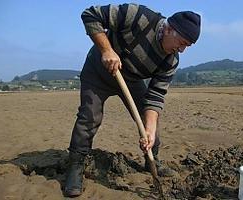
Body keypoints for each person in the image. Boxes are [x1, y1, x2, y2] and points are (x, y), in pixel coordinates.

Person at [64, 3, 201, 197]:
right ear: (169, 29)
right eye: (182, 43)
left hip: (132, 81)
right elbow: (90, 15)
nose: (182, 50)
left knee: (150, 125)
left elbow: (155, 96)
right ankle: (75, 167)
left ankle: (152, 161)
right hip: (98, 72)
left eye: (187, 46)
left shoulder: (170, 61)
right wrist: (107, 50)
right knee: (89, 117)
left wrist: (150, 129)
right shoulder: (137, 15)